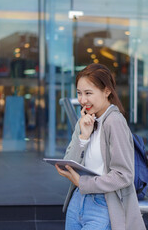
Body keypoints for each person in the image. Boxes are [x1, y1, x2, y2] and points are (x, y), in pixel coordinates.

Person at [55, 63, 146, 230]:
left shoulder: (114, 122)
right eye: (79, 93)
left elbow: (124, 175)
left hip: (103, 204)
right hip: (77, 201)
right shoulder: (85, 120)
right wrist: (83, 136)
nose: (82, 100)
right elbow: (68, 162)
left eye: (88, 93)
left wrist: (82, 182)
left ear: (107, 91)